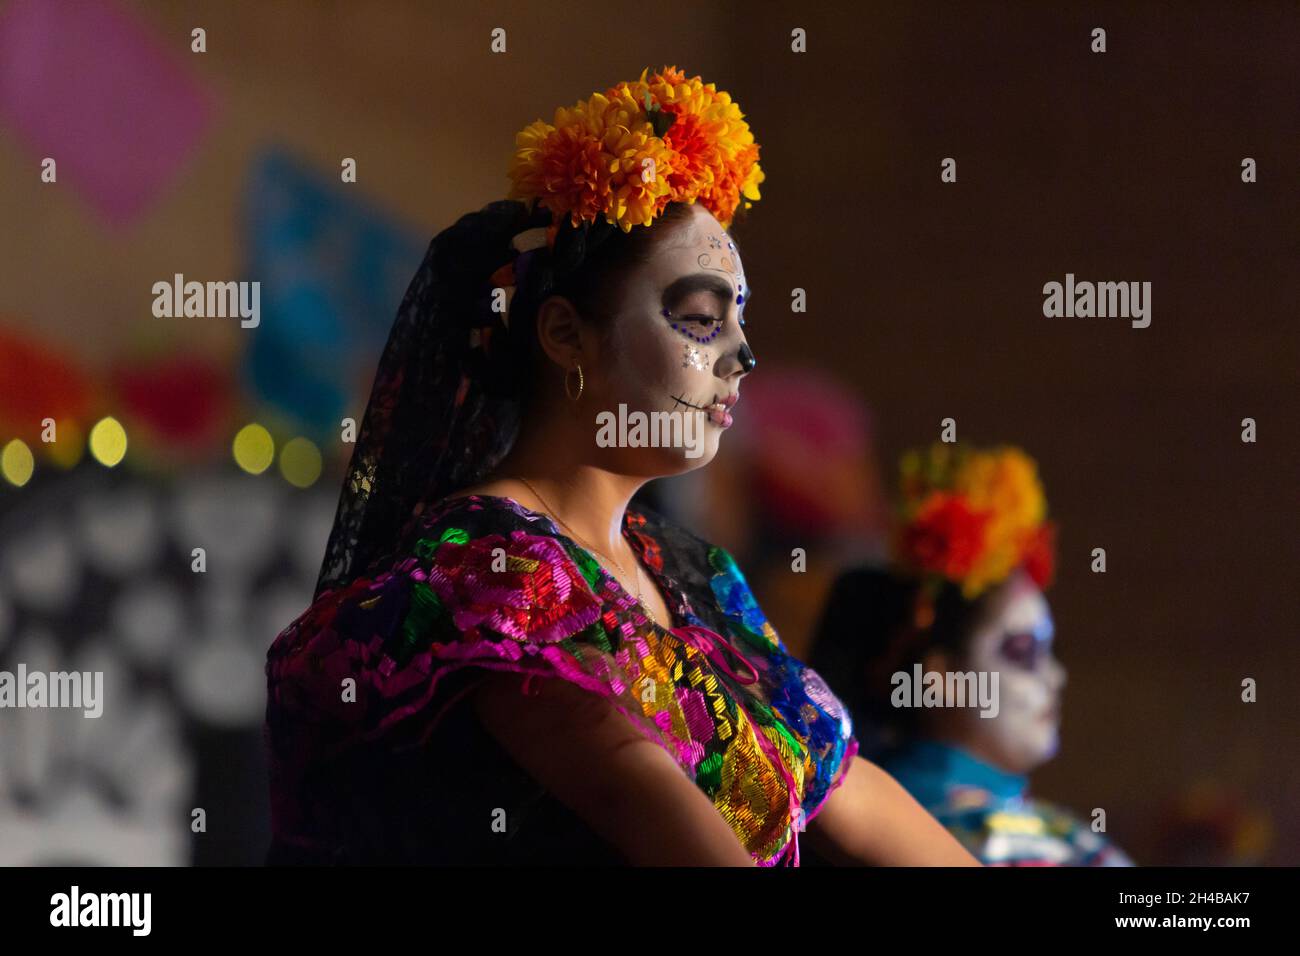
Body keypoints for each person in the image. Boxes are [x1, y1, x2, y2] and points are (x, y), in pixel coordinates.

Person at [264, 66, 978, 867]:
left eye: (740, 320)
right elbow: (633, 793)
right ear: (566, 336)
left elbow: (851, 790)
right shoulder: (491, 569)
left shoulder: (695, 578)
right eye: (704, 319)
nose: (743, 355)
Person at [809, 442, 1134, 865]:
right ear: (941, 677)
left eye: (1051, 653)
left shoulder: (1035, 827)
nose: (1055, 678)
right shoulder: (960, 837)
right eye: (1023, 653)